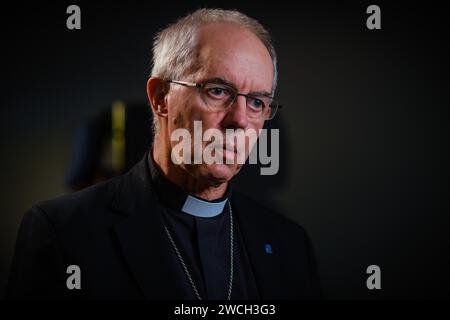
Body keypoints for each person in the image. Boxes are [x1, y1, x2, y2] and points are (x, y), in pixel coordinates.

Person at [7, 8, 321, 299]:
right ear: (161, 97)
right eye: (217, 90)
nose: (239, 120)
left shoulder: (290, 245)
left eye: (256, 101)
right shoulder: (63, 233)